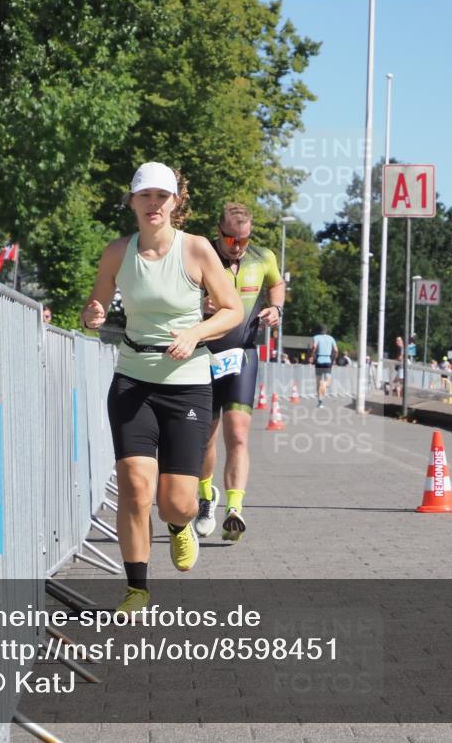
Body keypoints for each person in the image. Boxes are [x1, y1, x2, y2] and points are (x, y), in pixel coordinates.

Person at [81, 162, 243, 614]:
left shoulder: (196, 251)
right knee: (134, 486)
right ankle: (136, 588)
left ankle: (178, 525)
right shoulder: (117, 252)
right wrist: (91, 315)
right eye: (145, 196)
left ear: (176, 202)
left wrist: (195, 333)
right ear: (132, 201)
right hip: (133, 378)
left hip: (187, 384)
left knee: (176, 503)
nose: (153, 204)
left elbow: (232, 311)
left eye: (162, 196)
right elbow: (93, 306)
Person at [194, 203, 284, 543]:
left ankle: (235, 509)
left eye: (243, 240)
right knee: (205, 436)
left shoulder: (263, 257)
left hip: (243, 354)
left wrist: (276, 308)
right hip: (204, 353)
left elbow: (276, 285)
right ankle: (206, 498)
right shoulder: (200, 254)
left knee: (239, 434)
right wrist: (198, 306)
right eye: (231, 239)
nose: (237, 246)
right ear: (219, 232)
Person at [310, 325, 338, 407]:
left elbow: (314, 346)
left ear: (319, 330)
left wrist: (312, 355)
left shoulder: (316, 337)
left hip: (319, 360)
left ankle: (320, 402)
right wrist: (334, 359)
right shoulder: (331, 338)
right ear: (326, 331)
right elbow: (336, 350)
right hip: (328, 360)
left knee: (318, 383)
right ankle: (324, 384)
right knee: (327, 382)